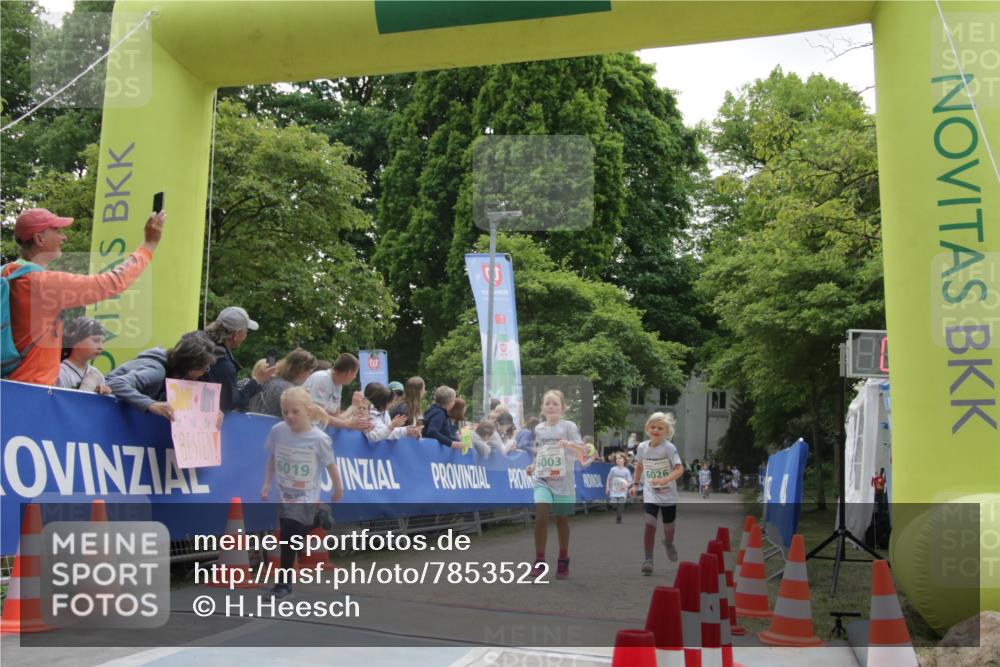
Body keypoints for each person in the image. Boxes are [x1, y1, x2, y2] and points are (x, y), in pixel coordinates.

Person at [2, 207, 165, 385]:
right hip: (33, 389)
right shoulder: (42, 282)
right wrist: (148, 245)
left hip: (9, 385)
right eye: (57, 231)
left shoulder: (7, 274)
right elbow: (111, 283)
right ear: (39, 238)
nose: (64, 237)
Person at [259, 386, 344, 599]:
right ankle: (317, 519)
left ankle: (283, 585)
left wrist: (338, 488)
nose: (289, 416)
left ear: (308, 410)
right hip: (283, 493)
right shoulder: (278, 430)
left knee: (288, 538)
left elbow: (330, 464)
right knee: (292, 537)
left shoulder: (318, 438)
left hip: (305, 495)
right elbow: (272, 457)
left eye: (295, 411)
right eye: (285, 411)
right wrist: (267, 484)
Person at [527, 389, 593, 580]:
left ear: (563, 407)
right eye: (547, 403)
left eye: (555, 403)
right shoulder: (538, 429)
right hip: (543, 479)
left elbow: (584, 450)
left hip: (564, 480)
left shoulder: (569, 426)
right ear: (542, 408)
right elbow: (540, 452)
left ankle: (563, 559)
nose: (551, 406)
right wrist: (533, 465)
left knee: (562, 520)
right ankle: (539, 561)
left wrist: (569, 445)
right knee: (540, 515)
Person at [105, 331, 219, 420]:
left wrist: (210, 410)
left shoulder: (175, 375)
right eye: (205, 368)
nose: (205, 372)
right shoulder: (156, 371)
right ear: (191, 367)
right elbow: (115, 382)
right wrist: (150, 404)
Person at [631, 412, 684, 575]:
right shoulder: (642, 447)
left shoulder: (669, 448)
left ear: (667, 432)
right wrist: (635, 484)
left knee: (669, 526)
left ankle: (668, 543)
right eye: (653, 427)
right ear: (647, 429)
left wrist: (665, 479)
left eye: (660, 428)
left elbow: (679, 469)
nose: (656, 430)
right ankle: (648, 560)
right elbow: (639, 467)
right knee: (650, 523)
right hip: (650, 492)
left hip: (668, 493)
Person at [203, 306, 277, 412]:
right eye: (245, 331)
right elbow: (231, 403)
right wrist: (258, 380)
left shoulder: (200, 346)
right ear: (236, 335)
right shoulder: (223, 363)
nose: (246, 336)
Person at [303, 353, 368, 431]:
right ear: (349, 372)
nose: (354, 377)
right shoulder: (322, 379)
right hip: (304, 431)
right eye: (355, 374)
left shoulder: (338, 385)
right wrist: (348, 424)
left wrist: (353, 407)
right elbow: (317, 414)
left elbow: (336, 417)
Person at [248, 348, 317, 418]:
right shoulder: (291, 391)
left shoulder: (264, 381)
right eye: (309, 372)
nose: (309, 376)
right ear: (301, 370)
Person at [56, 317, 111, 394]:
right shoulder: (60, 373)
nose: (101, 347)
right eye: (96, 340)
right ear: (75, 341)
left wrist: (104, 394)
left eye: (103, 342)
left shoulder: (98, 375)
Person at [606, 452, 633, 524]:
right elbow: (609, 478)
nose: (618, 460)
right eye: (617, 458)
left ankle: (619, 517)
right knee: (614, 504)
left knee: (621, 505)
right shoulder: (613, 469)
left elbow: (630, 481)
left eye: (620, 458)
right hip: (614, 490)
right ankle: (614, 507)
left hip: (623, 491)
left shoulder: (627, 471)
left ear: (624, 460)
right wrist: (607, 487)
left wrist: (626, 485)